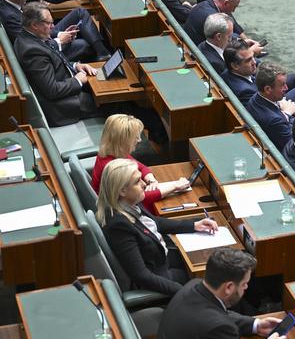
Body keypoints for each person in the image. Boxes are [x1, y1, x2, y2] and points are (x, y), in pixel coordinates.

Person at [13, 2, 167, 140]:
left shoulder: (31, 37)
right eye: (49, 23)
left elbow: (53, 59)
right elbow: (52, 90)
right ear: (34, 24)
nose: (53, 27)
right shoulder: (32, 51)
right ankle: (156, 127)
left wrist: (75, 66)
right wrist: (78, 80)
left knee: (111, 88)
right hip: (62, 106)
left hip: (65, 85)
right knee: (115, 104)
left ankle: (152, 127)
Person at [96, 158, 218, 295]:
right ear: (122, 191)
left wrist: (194, 225)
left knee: (215, 259)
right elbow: (141, 275)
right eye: (137, 181)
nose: (143, 184)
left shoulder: (128, 203)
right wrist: (184, 293)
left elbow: (155, 222)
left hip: (161, 255)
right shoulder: (119, 226)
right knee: (216, 280)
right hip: (162, 274)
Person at [158, 247, 285, 339]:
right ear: (229, 287)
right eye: (244, 283)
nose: (246, 287)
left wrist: (256, 324)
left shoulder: (194, 285)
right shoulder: (220, 329)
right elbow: (218, 321)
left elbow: (219, 313)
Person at [91, 114, 190, 214]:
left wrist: (151, 179)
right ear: (123, 141)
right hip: (123, 211)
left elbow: (140, 166)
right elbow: (140, 198)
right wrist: (175, 186)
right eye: (135, 137)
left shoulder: (113, 152)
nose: (139, 140)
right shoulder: (114, 166)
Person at [0, 0, 110, 61]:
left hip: (44, 34)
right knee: (84, 44)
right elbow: (31, 45)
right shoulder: (10, 17)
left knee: (80, 13)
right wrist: (59, 40)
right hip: (44, 51)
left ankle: (104, 54)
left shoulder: (15, 5)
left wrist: (59, 33)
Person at [182, 0, 262, 49]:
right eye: (234, 6)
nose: (233, 10)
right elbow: (228, 44)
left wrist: (245, 39)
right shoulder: (213, 18)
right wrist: (249, 50)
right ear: (226, 3)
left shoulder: (208, 3)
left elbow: (231, 20)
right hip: (198, 53)